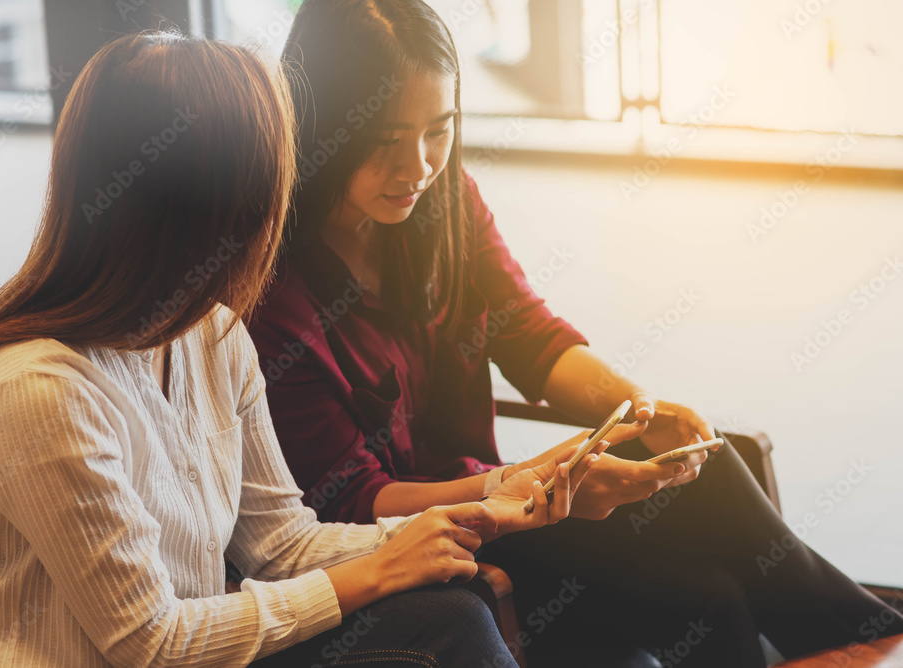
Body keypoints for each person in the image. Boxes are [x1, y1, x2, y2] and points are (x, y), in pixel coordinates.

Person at [0, 31, 596, 668]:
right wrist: (376, 570)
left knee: (451, 612)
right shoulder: (39, 390)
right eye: (270, 192)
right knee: (452, 627)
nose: (281, 218)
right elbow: (151, 642)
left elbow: (280, 543)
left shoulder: (214, 337)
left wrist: (458, 523)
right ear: (209, 210)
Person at [245, 1, 903, 666]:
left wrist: (639, 407)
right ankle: (872, 636)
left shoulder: (445, 203)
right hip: (430, 538)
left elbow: (530, 336)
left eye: (438, 130)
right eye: (387, 140)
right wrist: (518, 487)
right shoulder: (272, 291)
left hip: (510, 499)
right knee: (709, 586)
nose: (417, 166)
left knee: (706, 470)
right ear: (324, 122)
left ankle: (868, 636)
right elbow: (355, 503)